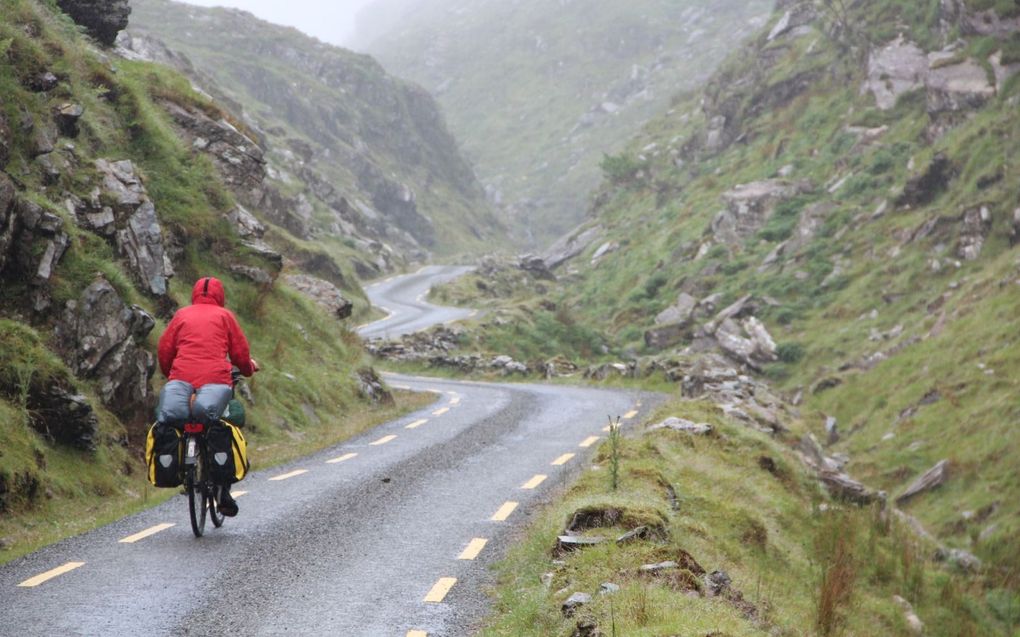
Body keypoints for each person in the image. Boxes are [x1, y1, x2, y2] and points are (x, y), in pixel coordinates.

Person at [156, 276, 258, 516]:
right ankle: (223, 489)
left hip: (181, 380)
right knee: (218, 422)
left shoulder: (181, 315)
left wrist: (171, 373)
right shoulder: (225, 317)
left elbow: (164, 349)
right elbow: (240, 353)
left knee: (178, 421)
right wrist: (248, 369)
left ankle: (182, 468)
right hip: (216, 380)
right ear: (220, 296)